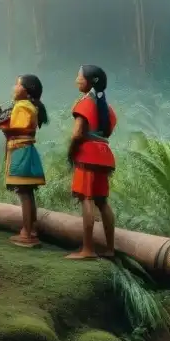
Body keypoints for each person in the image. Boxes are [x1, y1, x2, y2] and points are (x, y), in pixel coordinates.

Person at [0, 74, 48, 247]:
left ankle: (28, 234)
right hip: (25, 150)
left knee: (24, 193)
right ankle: (30, 230)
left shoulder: (22, 106)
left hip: (20, 151)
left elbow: (16, 127)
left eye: (17, 84)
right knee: (27, 193)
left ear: (26, 90)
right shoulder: (28, 105)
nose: (14, 87)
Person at [66, 65, 117, 260]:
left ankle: (88, 249)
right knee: (102, 201)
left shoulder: (86, 103)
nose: (77, 79)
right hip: (104, 154)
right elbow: (107, 131)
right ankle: (110, 249)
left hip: (87, 153)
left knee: (86, 198)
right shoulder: (106, 106)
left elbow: (78, 133)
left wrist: (71, 152)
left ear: (90, 81)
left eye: (79, 76)